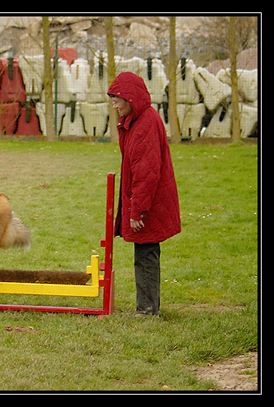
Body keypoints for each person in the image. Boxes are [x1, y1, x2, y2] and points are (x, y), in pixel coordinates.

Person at [107, 72, 181, 317]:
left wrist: (137, 210)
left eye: (117, 100)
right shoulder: (139, 120)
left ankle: (147, 309)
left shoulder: (144, 125)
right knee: (145, 251)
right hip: (151, 199)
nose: (115, 106)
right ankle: (148, 306)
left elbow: (146, 173)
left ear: (130, 99)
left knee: (145, 252)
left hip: (150, 201)